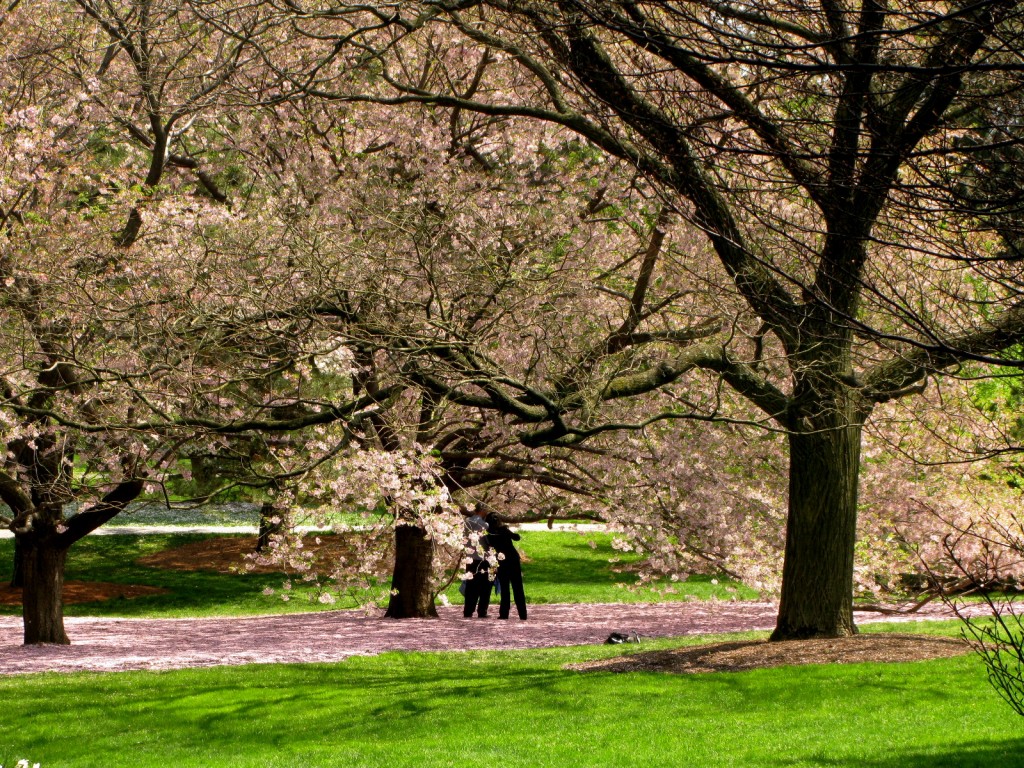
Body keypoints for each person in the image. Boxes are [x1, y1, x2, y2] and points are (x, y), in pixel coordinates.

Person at [485, 509, 527, 620]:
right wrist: (508, 531)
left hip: (501, 561)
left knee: (505, 588)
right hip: (513, 559)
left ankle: (504, 614)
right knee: (517, 587)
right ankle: (523, 614)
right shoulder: (504, 530)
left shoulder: (489, 534)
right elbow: (516, 537)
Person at [461, 508, 492, 618]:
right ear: (483, 511)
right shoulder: (485, 524)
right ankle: (482, 611)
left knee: (471, 586)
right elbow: (487, 542)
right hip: (482, 559)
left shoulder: (466, 522)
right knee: (485, 587)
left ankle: (468, 610)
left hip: (470, 558)